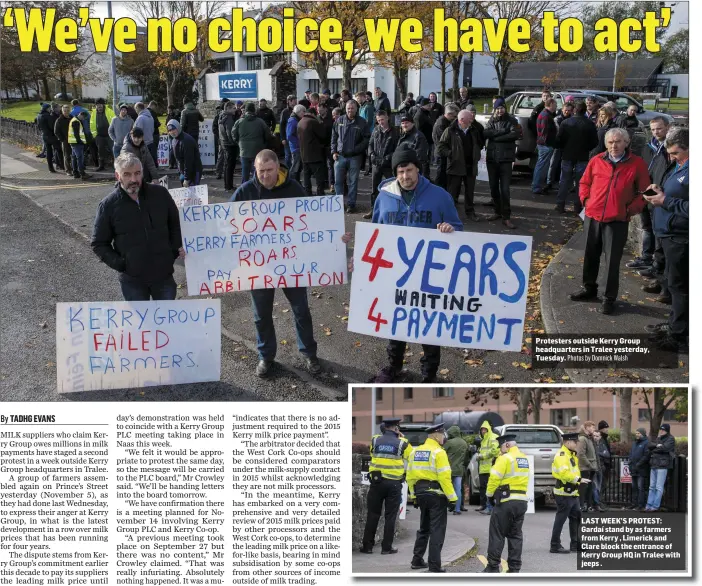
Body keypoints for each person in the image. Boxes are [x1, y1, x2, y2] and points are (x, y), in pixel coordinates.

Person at [229, 150, 350, 377]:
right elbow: (224, 223)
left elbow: (313, 222)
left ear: (278, 168)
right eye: (260, 171)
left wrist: (336, 236)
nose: (264, 175)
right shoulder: (245, 192)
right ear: (254, 169)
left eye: (269, 170)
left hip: (291, 263)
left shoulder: (294, 189)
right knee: (261, 314)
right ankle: (265, 357)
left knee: (301, 310)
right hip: (259, 266)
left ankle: (309, 354)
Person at [366, 145, 463, 383]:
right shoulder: (384, 197)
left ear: (418, 169)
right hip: (395, 273)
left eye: (409, 170)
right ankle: (394, 365)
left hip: (429, 275)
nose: (405, 177)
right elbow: (375, 233)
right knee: (396, 320)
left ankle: (429, 373)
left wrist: (449, 230)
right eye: (400, 172)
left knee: (428, 325)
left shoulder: (440, 196)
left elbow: (458, 228)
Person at [570, 128, 649, 314]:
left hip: (617, 220)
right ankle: (589, 289)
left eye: (619, 141)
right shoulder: (596, 160)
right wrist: (586, 201)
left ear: (626, 143)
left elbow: (644, 193)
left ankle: (608, 298)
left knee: (612, 261)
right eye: (611, 142)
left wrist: (629, 210)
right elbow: (584, 183)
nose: (614, 145)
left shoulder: (637, 164)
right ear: (606, 143)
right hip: (593, 216)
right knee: (590, 256)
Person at [91, 153, 184, 301]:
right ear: (118, 176)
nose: (133, 179)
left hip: (164, 276)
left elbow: (175, 224)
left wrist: (173, 251)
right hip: (133, 281)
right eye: (127, 174)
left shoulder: (160, 194)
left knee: (167, 322)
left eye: (137, 173)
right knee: (141, 323)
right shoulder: (108, 206)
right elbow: (99, 243)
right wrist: (123, 265)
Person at [644, 127, 688, 352]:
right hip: (670, 234)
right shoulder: (680, 165)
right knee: (674, 284)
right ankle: (675, 326)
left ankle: (680, 336)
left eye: (676, 153)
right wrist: (660, 190)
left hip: (681, 236)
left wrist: (666, 202)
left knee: (680, 287)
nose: (671, 157)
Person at [407, 423, 458, 573]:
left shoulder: (415, 452)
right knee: (437, 530)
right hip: (436, 495)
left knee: (424, 528)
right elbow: (444, 478)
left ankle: (417, 560)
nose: (444, 438)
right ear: (436, 435)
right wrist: (453, 498)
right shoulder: (439, 452)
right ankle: (435, 565)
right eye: (443, 435)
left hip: (421, 494)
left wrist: (413, 496)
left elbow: (409, 476)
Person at [360, 418, 413, 555]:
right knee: (390, 516)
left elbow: (373, 454)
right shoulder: (403, 443)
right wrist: (402, 438)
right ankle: (386, 547)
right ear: (396, 428)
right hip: (394, 484)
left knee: (372, 514)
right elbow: (411, 457)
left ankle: (367, 546)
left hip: (377, 482)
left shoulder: (375, 440)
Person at [629, 116, 670, 286]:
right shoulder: (648, 147)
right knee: (646, 226)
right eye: (652, 129)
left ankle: (656, 263)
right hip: (646, 191)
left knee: (657, 228)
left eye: (659, 129)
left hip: (660, 193)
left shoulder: (669, 148)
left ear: (668, 127)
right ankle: (646, 256)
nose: (655, 132)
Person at [483, 434, 530, 574]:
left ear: (507, 445)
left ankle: (492, 567)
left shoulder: (505, 458)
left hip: (505, 501)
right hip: (521, 501)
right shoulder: (524, 458)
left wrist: (489, 495)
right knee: (515, 535)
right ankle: (515, 568)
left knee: (497, 533)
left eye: (501, 446)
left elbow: (494, 478)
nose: (500, 450)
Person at [438, 108, 484, 222]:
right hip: (455, 166)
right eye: (470, 119)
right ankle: (450, 215)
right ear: (462, 120)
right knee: (453, 192)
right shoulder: (450, 131)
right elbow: (441, 147)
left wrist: (476, 154)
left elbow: (480, 143)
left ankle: (470, 212)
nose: (472, 120)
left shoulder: (474, 130)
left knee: (470, 192)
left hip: (470, 166)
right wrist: (451, 154)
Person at [555, 101, 598, 214]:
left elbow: (559, 139)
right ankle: (577, 207)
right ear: (585, 110)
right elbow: (595, 141)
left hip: (568, 154)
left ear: (574, 110)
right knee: (580, 182)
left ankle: (560, 204)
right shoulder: (589, 124)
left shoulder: (566, 122)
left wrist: (565, 147)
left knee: (564, 180)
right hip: (582, 155)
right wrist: (586, 148)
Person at [550, 432, 590, 554]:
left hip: (572, 492)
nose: (577, 443)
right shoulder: (562, 455)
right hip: (563, 492)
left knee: (576, 518)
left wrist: (578, 481)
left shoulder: (571, 455)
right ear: (567, 442)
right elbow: (564, 474)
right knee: (561, 519)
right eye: (575, 441)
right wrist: (578, 480)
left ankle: (576, 544)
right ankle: (555, 545)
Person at [484, 99, 520, 229]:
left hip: (506, 159)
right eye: (498, 108)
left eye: (502, 108)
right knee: (493, 187)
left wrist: (496, 138)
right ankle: (497, 212)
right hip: (492, 159)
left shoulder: (511, 120)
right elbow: (486, 133)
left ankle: (506, 217)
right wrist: (503, 131)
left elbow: (515, 134)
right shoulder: (491, 120)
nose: (500, 110)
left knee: (505, 189)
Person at [331, 99, 370, 213]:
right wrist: (333, 151)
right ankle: (338, 204)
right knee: (338, 182)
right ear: (345, 109)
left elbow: (367, 139)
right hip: (340, 156)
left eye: (352, 108)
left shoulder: (362, 122)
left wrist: (356, 149)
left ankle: (351, 205)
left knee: (353, 182)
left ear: (356, 109)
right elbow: (333, 137)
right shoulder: (339, 120)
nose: (350, 110)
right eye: (348, 108)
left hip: (355, 157)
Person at [365, 109, 399, 218]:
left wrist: (388, 158)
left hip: (388, 165)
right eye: (379, 120)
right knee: (374, 189)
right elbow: (370, 144)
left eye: (382, 120)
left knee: (393, 188)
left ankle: (394, 211)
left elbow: (397, 148)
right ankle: (373, 210)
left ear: (387, 118)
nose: (381, 122)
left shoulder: (395, 132)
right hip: (376, 164)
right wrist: (371, 154)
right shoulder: (375, 130)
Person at [232, 102, 273, 183]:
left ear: (246, 110)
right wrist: (264, 143)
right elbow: (268, 134)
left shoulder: (239, 121)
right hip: (257, 149)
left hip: (244, 150)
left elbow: (233, 134)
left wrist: (239, 142)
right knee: (257, 170)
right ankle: (258, 186)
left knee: (245, 170)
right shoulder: (260, 121)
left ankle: (244, 188)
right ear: (254, 110)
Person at [297, 106, 328, 196]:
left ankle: (308, 194)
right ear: (313, 114)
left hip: (304, 154)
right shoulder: (313, 122)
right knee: (319, 178)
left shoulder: (300, 122)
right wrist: (321, 123)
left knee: (306, 177)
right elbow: (323, 135)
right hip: (315, 155)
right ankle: (320, 195)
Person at [645, 424, 676, 512]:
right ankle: (649, 505)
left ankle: (655, 506)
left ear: (667, 430)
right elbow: (649, 445)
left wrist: (656, 447)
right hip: (654, 464)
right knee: (652, 486)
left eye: (663, 430)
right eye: (661, 429)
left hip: (663, 465)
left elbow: (665, 448)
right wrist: (657, 446)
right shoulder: (659, 438)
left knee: (658, 487)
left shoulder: (670, 438)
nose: (661, 431)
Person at [532, 97, 558, 194]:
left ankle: (537, 186)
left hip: (544, 145)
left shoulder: (545, 114)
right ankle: (536, 187)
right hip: (545, 145)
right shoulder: (546, 116)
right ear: (551, 104)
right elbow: (544, 133)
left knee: (541, 166)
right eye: (555, 105)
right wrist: (549, 144)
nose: (556, 107)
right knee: (542, 166)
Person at [167, 119, 202, 187]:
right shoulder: (175, 139)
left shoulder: (186, 141)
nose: (172, 132)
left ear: (178, 128)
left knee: (193, 194)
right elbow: (178, 158)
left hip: (193, 171)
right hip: (183, 171)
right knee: (185, 194)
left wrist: (187, 178)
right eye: (170, 130)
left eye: (174, 129)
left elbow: (188, 161)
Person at [432, 103, 458, 190]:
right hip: (441, 153)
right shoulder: (441, 123)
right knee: (440, 174)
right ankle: (437, 191)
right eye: (454, 116)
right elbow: (442, 141)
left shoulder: (443, 121)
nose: (455, 119)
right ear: (449, 114)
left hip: (442, 151)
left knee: (442, 174)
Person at [476, 420, 500, 515]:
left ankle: (491, 507)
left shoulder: (493, 437)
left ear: (489, 429)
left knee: (490, 488)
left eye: (485, 429)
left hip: (491, 467)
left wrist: (482, 456)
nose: (483, 431)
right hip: (483, 468)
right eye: (482, 430)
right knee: (484, 488)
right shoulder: (483, 440)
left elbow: (495, 451)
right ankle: (486, 506)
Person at [444, 426, 468, 515]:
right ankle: (457, 509)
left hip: (448, 469)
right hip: (459, 469)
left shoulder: (449, 442)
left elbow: (442, 452)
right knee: (458, 489)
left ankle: (448, 506)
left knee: (446, 488)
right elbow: (466, 458)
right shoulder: (464, 443)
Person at [576, 421, 597, 512]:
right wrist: (589, 464)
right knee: (583, 488)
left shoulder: (589, 438)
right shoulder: (582, 439)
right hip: (584, 468)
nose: (594, 429)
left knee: (589, 488)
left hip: (590, 467)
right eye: (592, 427)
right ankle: (581, 505)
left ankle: (588, 505)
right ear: (587, 427)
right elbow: (580, 454)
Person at [628, 428, 650, 511]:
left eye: (638, 433)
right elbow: (631, 454)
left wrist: (638, 464)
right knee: (634, 487)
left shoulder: (646, 443)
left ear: (643, 434)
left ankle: (641, 505)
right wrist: (630, 462)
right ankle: (634, 504)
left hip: (641, 470)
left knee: (641, 487)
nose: (637, 434)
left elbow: (646, 456)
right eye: (636, 433)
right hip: (633, 469)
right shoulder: (634, 443)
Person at [218, 101, 238, 191]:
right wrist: (235, 142)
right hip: (230, 145)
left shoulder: (221, 116)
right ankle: (229, 186)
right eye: (234, 108)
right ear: (228, 108)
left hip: (224, 143)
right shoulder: (229, 118)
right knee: (230, 166)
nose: (235, 109)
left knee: (227, 166)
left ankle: (227, 185)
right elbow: (230, 133)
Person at [67, 110, 92, 180]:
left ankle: (75, 173)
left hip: (73, 142)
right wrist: (81, 142)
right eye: (83, 118)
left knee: (74, 158)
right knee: (80, 158)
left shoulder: (74, 120)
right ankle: (82, 173)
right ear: (81, 115)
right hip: (77, 143)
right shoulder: (76, 122)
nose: (83, 119)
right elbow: (76, 134)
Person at [413, 98, 435, 178]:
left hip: (428, 140)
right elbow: (417, 131)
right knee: (424, 161)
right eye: (428, 105)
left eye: (430, 104)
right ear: (423, 106)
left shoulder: (427, 113)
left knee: (427, 160)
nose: (430, 106)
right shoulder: (419, 115)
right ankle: (424, 177)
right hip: (423, 142)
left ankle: (426, 176)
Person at [36, 103, 60, 173]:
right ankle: (60, 165)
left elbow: (38, 126)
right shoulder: (48, 116)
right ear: (47, 109)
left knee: (49, 152)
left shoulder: (39, 116)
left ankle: (50, 168)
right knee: (58, 150)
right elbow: (52, 127)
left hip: (44, 135)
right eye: (49, 108)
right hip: (52, 136)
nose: (50, 109)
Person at [286, 104, 305, 183]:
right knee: (295, 167)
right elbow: (289, 135)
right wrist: (299, 143)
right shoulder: (293, 120)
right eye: (303, 111)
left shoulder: (295, 120)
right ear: (299, 112)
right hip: (296, 148)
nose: (304, 113)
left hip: (297, 147)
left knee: (298, 167)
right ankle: (291, 183)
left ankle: (296, 182)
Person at [133, 102, 155, 167]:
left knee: (143, 164)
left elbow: (138, 132)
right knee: (150, 164)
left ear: (137, 108)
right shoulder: (150, 117)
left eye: (135, 109)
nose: (135, 111)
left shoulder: (140, 118)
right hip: (151, 141)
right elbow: (152, 130)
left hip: (143, 143)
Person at [54, 104, 73, 176]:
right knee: (67, 156)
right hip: (65, 141)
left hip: (73, 140)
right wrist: (62, 139)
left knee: (73, 156)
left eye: (68, 111)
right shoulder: (59, 120)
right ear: (62, 111)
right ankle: (68, 170)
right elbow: (56, 131)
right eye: (65, 111)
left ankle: (74, 169)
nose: (66, 112)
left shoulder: (72, 118)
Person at [280, 94, 297, 169]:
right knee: (288, 155)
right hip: (287, 137)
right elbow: (281, 125)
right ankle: (288, 171)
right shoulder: (285, 112)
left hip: (296, 136)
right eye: (294, 100)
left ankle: (294, 171)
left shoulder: (297, 110)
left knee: (295, 154)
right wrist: (282, 138)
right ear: (289, 101)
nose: (296, 101)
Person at [213, 99, 226, 179]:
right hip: (222, 139)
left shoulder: (230, 116)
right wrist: (219, 136)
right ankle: (218, 172)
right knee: (221, 156)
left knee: (225, 156)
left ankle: (225, 172)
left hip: (227, 139)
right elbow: (214, 128)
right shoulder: (218, 116)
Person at [166, 104, 181, 169]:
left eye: (169, 109)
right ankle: (173, 163)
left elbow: (167, 124)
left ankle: (172, 164)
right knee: (173, 148)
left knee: (172, 148)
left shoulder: (170, 116)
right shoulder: (175, 116)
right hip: (174, 134)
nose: (168, 111)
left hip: (171, 133)